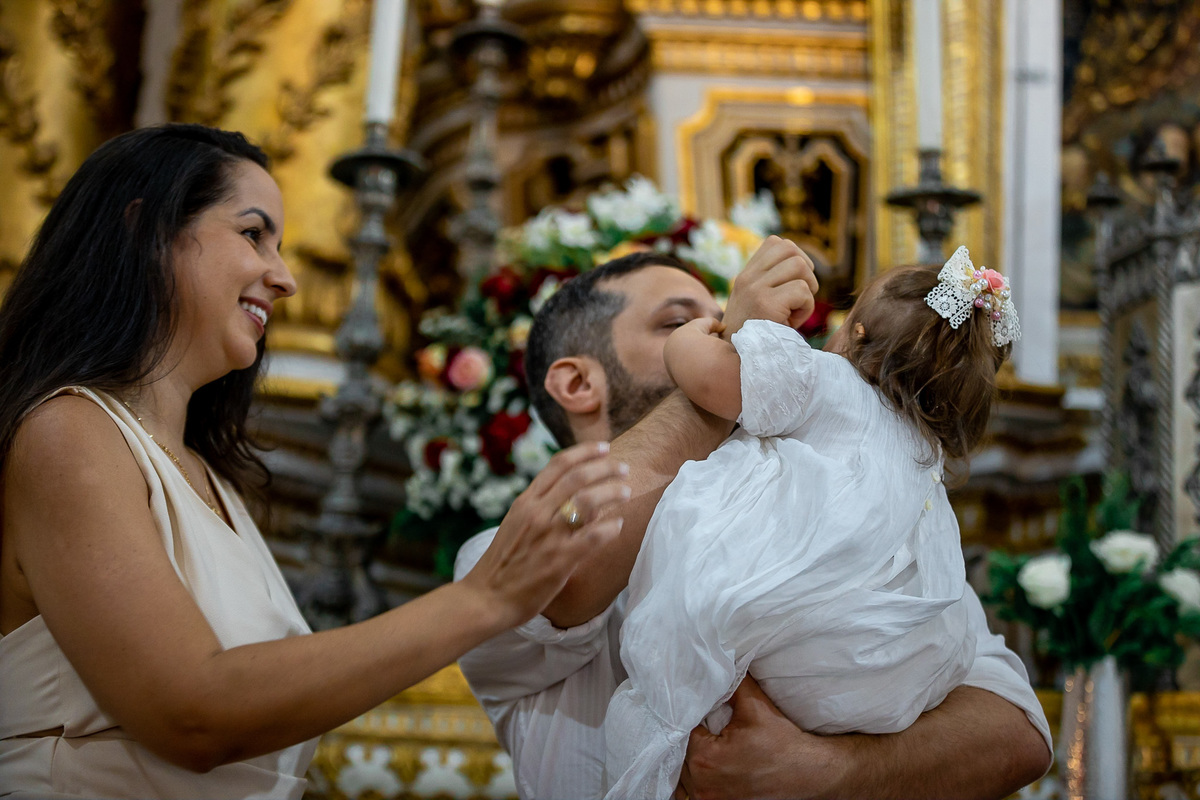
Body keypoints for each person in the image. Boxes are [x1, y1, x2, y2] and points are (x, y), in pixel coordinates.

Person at [0, 124, 630, 799]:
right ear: (145, 231)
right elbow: (192, 714)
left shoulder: (212, 480)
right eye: (253, 234)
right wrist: (486, 598)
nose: (286, 279)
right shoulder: (69, 433)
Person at [454, 244, 1053, 799]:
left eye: (724, 315)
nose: (730, 327)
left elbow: (1020, 732)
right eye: (679, 321)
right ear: (578, 382)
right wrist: (734, 362)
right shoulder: (489, 558)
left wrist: (830, 770)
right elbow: (569, 576)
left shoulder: (873, 529)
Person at [604, 248, 1019, 797]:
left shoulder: (827, 380)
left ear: (855, 335)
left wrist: (705, 333)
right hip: (883, 675)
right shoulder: (926, 454)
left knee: (678, 667)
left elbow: (711, 378)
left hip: (786, 637)